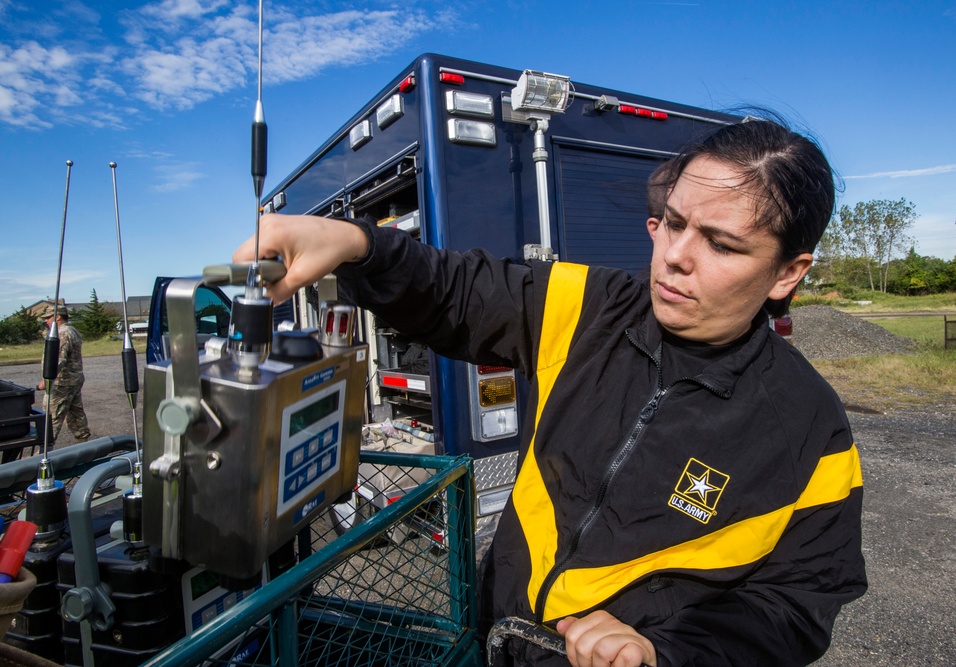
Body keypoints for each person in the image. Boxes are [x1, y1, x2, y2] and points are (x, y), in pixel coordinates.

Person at [233, 117, 866, 666]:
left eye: (721, 243)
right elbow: (456, 288)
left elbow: (795, 605)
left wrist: (664, 652)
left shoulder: (810, 429)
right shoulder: (591, 307)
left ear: (788, 271)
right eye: (672, 224)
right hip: (494, 641)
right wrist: (357, 245)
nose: (675, 256)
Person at [37, 306, 91, 444]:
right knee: (75, 413)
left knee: (50, 417)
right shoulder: (73, 331)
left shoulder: (62, 333)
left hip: (62, 382)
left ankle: (43, 452)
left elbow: (59, 359)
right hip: (74, 379)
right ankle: (83, 444)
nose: (46, 321)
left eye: (48, 318)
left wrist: (47, 379)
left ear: (57, 317)